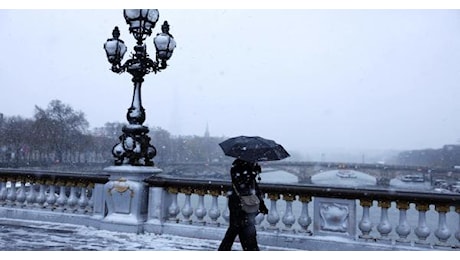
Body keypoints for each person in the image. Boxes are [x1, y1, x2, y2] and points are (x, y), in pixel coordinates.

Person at [218, 159, 269, 251]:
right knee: (239, 229)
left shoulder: (243, 165)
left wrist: (262, 205)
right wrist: (252, 172)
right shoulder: (237, 166)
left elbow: (254, 188)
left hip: (244, 203)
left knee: (239, 229)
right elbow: (242, 184)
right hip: (239, 203)